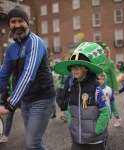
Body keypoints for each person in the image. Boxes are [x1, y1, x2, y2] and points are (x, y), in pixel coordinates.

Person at [0, 6, 56, 149]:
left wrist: (11, 103)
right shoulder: (12, 48)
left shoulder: (35, 42)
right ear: (9, 25)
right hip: (26, 100)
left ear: (27, 22)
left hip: (42, 98)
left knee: (32, 142)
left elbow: (28, 74)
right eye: (13, 21)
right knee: (35, 141)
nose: (17, 25)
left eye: (20, 21)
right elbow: (3, 75)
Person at [54, 42, 110, 150]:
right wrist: (71, 125)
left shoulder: (96, 89)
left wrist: (96, 130)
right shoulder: (73, 87)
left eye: (78, 67)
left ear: (86, 68)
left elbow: (105, 111)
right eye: (72, 67)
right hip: (77, 138)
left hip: (95, 140)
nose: (74, 69)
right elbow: (70, 108)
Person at [100, 43, 122, 127]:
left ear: (107, 53)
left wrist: (116, 89)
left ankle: (117, 118)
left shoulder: (111, 63)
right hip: (100, 87)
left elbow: (113, 76)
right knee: (102, 104)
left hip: (109, 87)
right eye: (102, 52)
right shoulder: (98, 63)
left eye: (105, 52)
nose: (103, 54)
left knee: (112, 103)